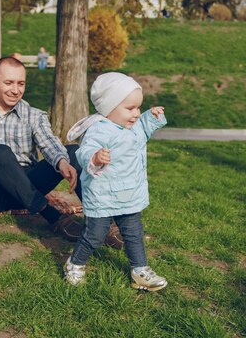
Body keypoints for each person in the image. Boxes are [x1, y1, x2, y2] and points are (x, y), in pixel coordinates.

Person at [0, 56, 122, 247]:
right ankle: (56, 218)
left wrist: (62, 162)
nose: (15, 90)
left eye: (21, 83)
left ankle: (102, 223)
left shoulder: (33, 115)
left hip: (27, 183)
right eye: (8, 83)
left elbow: (49, 142)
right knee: (0, 152)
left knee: (74, 152)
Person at [63, 72, 168, 292]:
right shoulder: (100, 129)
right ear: (109, 107)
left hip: (129, 195)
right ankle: (75, 264)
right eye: (130, 109)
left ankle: (139, 270)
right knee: (95, 234)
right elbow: (85, 151)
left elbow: (144, 129)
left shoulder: (134, 126)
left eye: (139, 108)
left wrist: (152, 116)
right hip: (102, 194)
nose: (136, 114)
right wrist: (95, 157)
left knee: (134, 234)